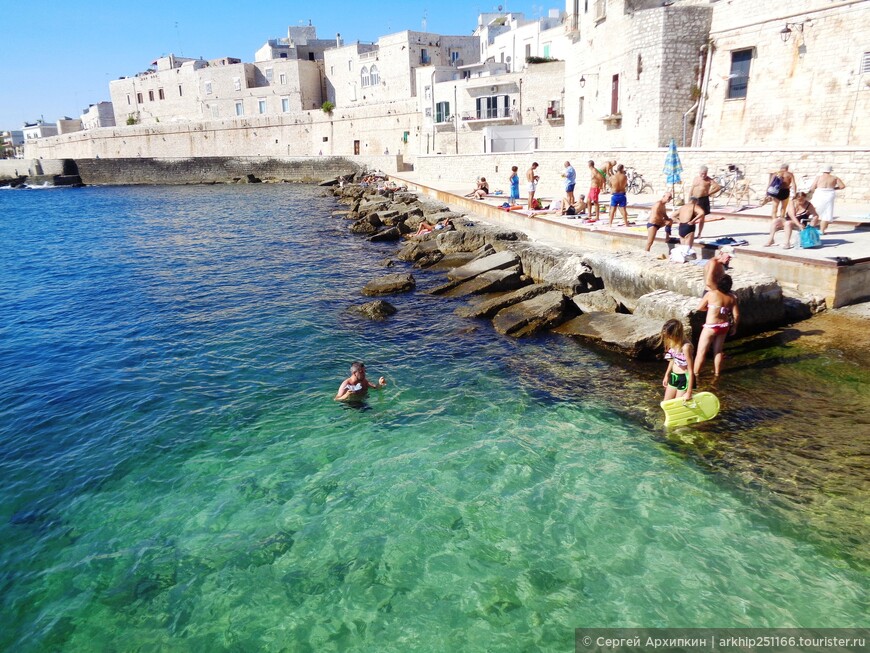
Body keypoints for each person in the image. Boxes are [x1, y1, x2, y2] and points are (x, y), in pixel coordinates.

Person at [694, 274, 739, 378]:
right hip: (723, 326)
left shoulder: (711, 294)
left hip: (711, 327)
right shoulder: (732, 298)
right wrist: (734, 327)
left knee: (701, 352)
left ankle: (695, 374)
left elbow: (700, 307)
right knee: (718, 351)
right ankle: (717, 374)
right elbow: (736, 314)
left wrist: (710, 309)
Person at [661, 319, 694, 402]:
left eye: (669, 336)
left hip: (684, 378)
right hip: (674, 376)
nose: (668, 338)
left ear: (676, 334)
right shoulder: (674, 343)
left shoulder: (686, 347)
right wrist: (667, 375)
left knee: (678, 403)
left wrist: (689, 392)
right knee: (666, 403)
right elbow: (673, 360)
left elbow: (690, 371)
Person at [808, 165, 846, 234]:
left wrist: (809, 194)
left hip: (819, 193)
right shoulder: (834, 178)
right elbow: (842, 186)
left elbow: (812, 187)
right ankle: (822, 230)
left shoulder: (819, 177)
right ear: (830, 171)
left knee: (815, 209)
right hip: (829, 193)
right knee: (827, 211)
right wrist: (834, 188)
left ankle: (811, 228)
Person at [689, 166, 721, 239]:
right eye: (702, 173)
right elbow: (691, 189)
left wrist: (709, 193)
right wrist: (689, 200)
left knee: (701, 217)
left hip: (703, 199)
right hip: (694, 199)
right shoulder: (696, 179)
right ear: (699, 172)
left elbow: (718, 187)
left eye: (705, 173)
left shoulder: (709, 180)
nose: (703, 175)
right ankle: (690, 233)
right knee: (691, 216)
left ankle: (699, 234)